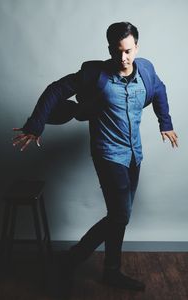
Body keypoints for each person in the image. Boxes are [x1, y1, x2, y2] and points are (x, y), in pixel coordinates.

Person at [12, 22, 178, 292]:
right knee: (120, 215)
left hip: (134, 154)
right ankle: (70, 260)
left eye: (127, 51)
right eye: (116, 52)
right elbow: (57, 89)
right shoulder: (95, 74)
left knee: (118, 216)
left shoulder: (146, 71)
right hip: (108, 153)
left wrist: (165, 122)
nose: (122, 58)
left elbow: (159, 89)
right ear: (109, 50)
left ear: (137, 47)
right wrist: (35, 124)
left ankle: (111, 271)